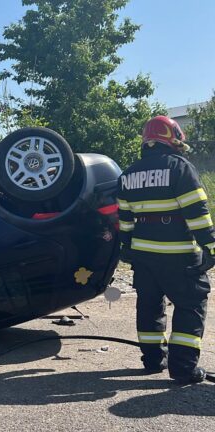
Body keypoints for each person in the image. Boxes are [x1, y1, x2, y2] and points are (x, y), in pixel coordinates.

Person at [118, 115, 214, 384]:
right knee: (191, 305)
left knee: (149, 306)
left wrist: (126, 246)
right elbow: (196, 212)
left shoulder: (128, 175)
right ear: (171, 139)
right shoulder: (180, 168)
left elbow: (124, 218)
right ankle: (183, 368)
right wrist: (210, 245)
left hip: (144, 256)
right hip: (179, 255)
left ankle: (152, 361)